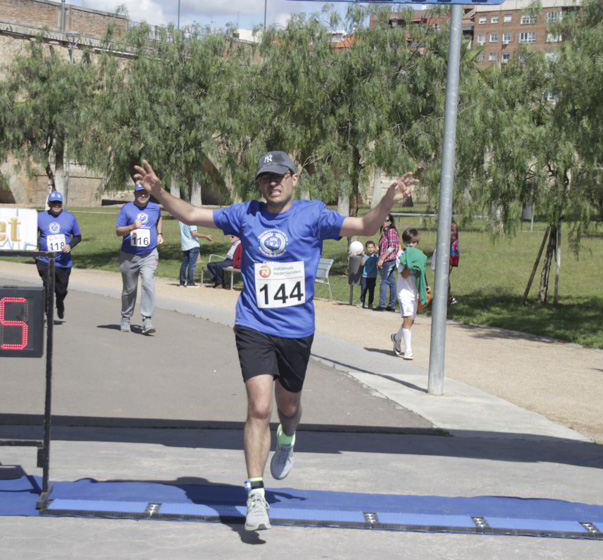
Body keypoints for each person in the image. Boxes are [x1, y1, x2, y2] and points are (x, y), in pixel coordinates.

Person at [133, 151, 417, 532]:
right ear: (260, 182)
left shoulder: (313, 215)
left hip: (297, 330)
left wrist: (387, 200)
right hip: (254, 324)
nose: (273, 182)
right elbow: (190, 215)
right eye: (266, 177)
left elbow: (366, 226)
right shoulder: (245, 214)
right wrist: (159, 192)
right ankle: (255, 494)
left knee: (289, 407)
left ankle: (288, 438)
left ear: (294, 178)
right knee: (260, 406)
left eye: (279, 175)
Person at [116, 182, 163, 334]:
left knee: (148, 282)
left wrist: (159, 234)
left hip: (149, 253)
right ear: (134, 194)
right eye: (140, 192)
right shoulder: (126, 209)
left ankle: (147, 319)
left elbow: (159, 218)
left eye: (146, 193)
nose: (143, 195)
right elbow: (118, 231)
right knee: (130, 289)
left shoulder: (155, 207)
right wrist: (131, 228)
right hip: (129, 255)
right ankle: (126, 317)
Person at [36, 191, 81, 320]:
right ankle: (47, 312)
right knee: (48, 286)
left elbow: (78, 236)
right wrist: (34, 249)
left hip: (63, 261)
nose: (56, 205)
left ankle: (59, 302)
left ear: (62, 203)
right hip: (45, 260)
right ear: (49, 203)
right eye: (54, 203)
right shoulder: (40, 217)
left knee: (61, 290)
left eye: (59, 203)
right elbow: (31, 233)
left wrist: (70, 245)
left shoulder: (70, 217)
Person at [391, 228, 429, 361]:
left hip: (415, 291)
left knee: (411, 321)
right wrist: (410, 262)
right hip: (404, 292)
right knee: (407, 319)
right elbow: (404, 274)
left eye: (413, 243)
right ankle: (408, 351)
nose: (411, 246)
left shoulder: (419, 254)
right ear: (404, 243)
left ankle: (396, 338)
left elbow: (421, 272)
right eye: (408, 243)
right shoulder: (401, 255)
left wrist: (425, 286)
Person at [376, 213, 400, 311]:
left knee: (383, 281)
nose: (383, 222)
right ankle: (391, 306)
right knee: (391, 281)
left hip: (389, 259)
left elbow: (392, 247)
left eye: (386, 220)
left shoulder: (391, 231)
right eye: (382, 220)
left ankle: (382, 305)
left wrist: (382, 259)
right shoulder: (385, 232)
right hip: (386, 259)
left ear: (390, 222)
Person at [179, 220, 213, 287]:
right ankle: (190, 282)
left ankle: (182, 282)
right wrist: (205, 236)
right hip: (193, 245)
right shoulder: (191, 221)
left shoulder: (181, 220)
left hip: (185, 245)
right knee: (192, 264)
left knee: (184, 264)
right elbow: (194, 233)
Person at [360, 241, 378, 309]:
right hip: (365, 276)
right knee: (363, 289)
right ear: (366, 248)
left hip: (373, 276)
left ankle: (370, 303)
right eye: (369, 247)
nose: (370, 249)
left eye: (372, 247)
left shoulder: (376, 256)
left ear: (374, 248)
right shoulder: (364, 256)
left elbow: (379, 261)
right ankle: (362, 302)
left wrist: (378, 252)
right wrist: (362, 257)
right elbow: (362, 264)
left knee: (371, 290)